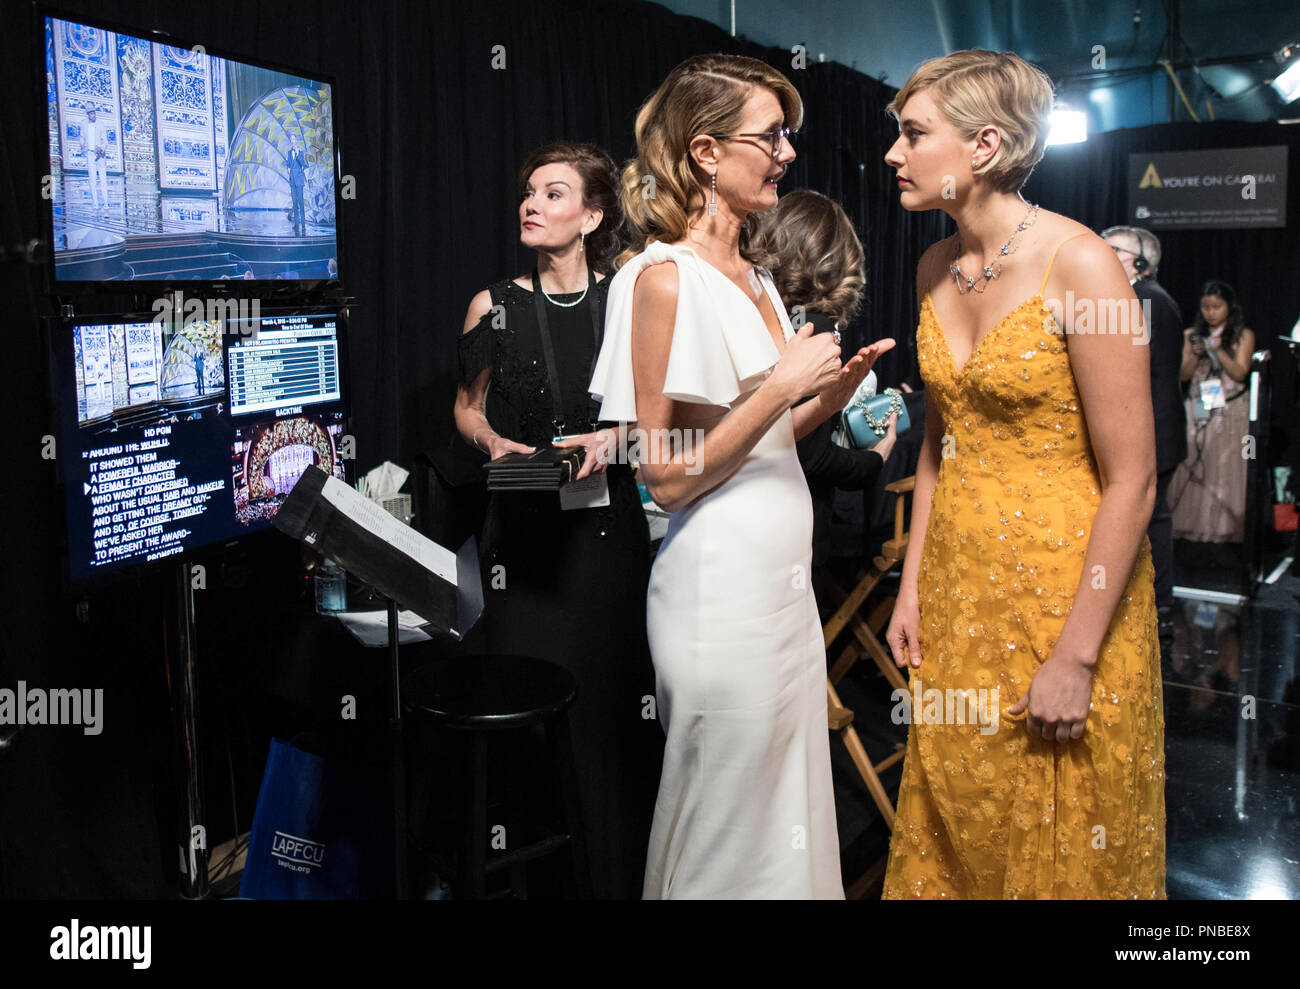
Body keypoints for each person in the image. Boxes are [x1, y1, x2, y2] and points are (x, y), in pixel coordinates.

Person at [589, 53, 893, 899]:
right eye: (772, 136)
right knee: (725, 824)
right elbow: (667, 478)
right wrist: (785, 388)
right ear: (706, 153)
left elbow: (767, 442)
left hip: (782, 593)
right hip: (715, 596)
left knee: (781, 811)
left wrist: (820, 397)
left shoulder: (757, 274)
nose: (788, 153)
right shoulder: (657, 278)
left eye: (787, 135)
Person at [881, 49, 1165, 899]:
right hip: (961, 594)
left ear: (984, 145)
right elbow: (941, 445)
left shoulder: (1081, 263)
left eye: (913, 134)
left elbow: (1136, 479)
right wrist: (912, 582)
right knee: (961, 818)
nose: (894, 155)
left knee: (1063, 831)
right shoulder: (933, 267)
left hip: (1069, 595)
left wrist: (1076, 655)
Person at [453, 141, 660, 899]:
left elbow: (671, 424)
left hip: (608, 543)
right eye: (528, 192)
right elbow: (466, 410)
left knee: (613, 717)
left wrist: (616, 440)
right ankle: (542, 881)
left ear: (593, 214)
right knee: (537, 727)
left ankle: (618, 875)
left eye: (553, 193)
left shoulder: (631, 295)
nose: (530, 205)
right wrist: (492, 441)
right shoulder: (493, 304)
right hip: (523, 545)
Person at [750, 188, 898, 571]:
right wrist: (873, 460)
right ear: (838, 261)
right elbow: (809, 457)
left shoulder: (755, 314)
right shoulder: (818, 330)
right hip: (791, 520)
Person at [1101, 225, 1185, 653]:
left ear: (1139, 262)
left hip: (1154, 432)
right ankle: (1155, 609)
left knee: (1150, 523)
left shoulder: (1146, 299)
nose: (1102, 254)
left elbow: (1126, 368)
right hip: (1159, 430)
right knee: (1153, 521)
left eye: (1112, 249)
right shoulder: (1151, 297)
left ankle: (1157, 611)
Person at [1170, 280, 1256, 544]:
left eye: (1216, 306)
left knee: (1224, 464)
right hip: (1199, 404)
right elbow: (1183, 374)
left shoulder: (1243, 335)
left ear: (1229, 307)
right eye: (1205, 307)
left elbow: (1241, 374)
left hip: (1230, 407)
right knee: (1195, 456)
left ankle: (1224, 526)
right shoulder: (1190, 335)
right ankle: (1190, 524)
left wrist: (1217, 350)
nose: (1210, 312)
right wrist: (1196, 354)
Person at [81, 108, 109, 211]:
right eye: (91, 113)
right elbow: (82, 137)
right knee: (92, 179)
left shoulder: (101, 124)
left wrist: (101, 148)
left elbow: (105, 141)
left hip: (100, 155)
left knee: (103, 179)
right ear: (88, 114)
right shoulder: (83, 124)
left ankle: (106, 203)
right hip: (90, 154)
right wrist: (82, 145)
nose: (93, 115)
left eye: (94, 113)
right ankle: (95, 203)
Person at [286, 133, 307, 236]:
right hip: (292, 181)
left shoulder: (301, 152)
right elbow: (288, 164)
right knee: (294, 204)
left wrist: (298, 153)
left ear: (296, 140)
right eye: (291, 139)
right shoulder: (289, 153)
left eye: (294, 139)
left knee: (300, 203)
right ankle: (297, 224)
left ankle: (303, 225)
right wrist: (288, 169)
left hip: (299, 181)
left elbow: (303, 164)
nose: (292, 141)